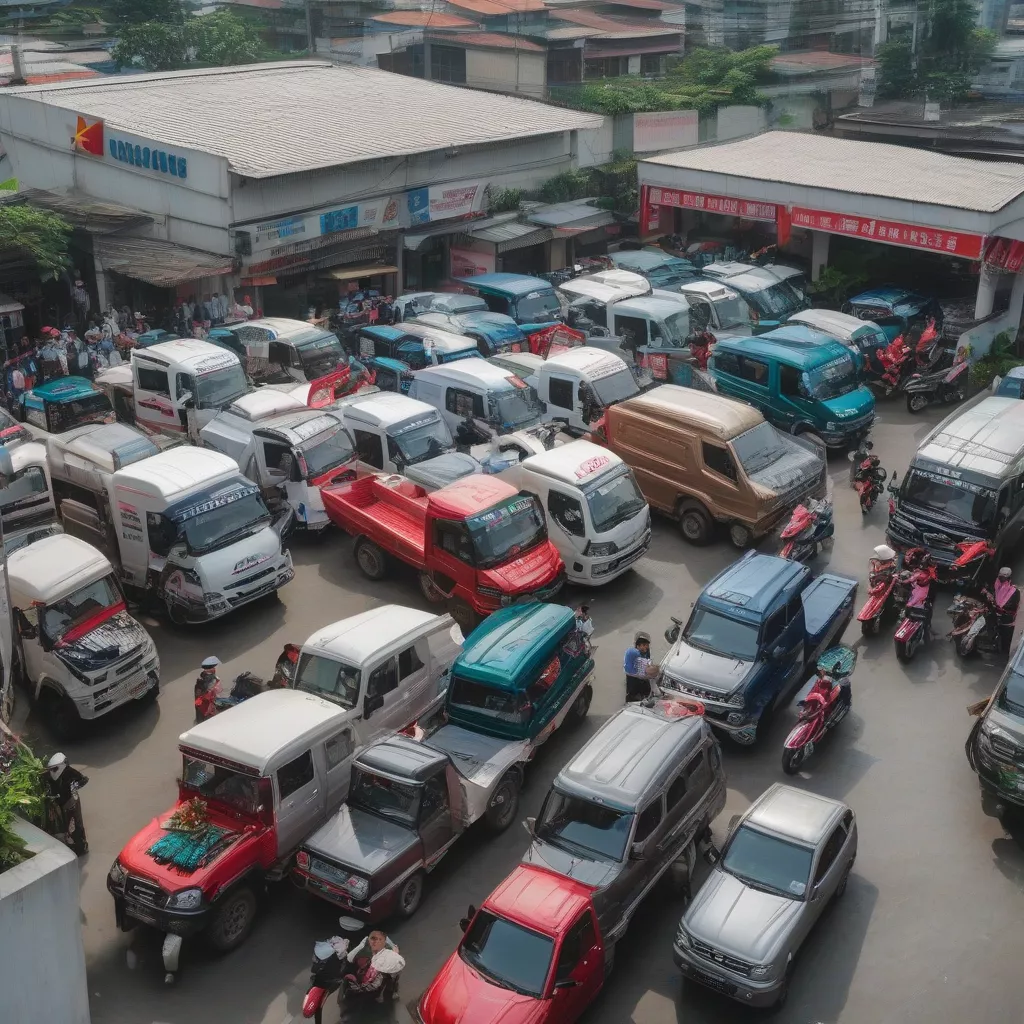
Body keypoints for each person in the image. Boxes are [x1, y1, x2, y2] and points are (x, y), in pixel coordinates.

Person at [44, 752, 88, 855]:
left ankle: (80, 848)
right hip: (61, 804)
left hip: (71, 803)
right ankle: (71, 846)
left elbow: (83, 779)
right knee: (65, 826)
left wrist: (74, 786)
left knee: (74, 826)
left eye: (54, 769)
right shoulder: (51, 775)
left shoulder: (69, 772)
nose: (52, 772)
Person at [344, 930, 402, 1002]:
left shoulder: (366, 944)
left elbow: (349, 958)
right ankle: (390, 992)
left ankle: (389, 991)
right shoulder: (386, 948)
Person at [988, 567, 1020, 656]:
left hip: (1006, 617)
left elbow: (1012, 605)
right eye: (1000, 577)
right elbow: (993, 594)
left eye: (1003, 578)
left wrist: (999, 606)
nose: (1001, 579)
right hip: (995, 612)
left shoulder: (1014, 591)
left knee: (1006, 637)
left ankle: (1005, 652)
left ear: (1008, 578)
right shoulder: (996, 584)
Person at [624, 630, 659, 703]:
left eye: (646, 645)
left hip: (643, 678)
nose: (646, 648)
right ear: (638, 646)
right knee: (633, 693)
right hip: (634, 679)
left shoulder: (646, 652)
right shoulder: (633, 654)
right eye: (643, 645)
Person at [194, 656, 222, 723]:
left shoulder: (201, 678)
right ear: (212, 668)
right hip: (206, 706)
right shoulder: (212, 679)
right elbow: (213, 692)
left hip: (200, 705)